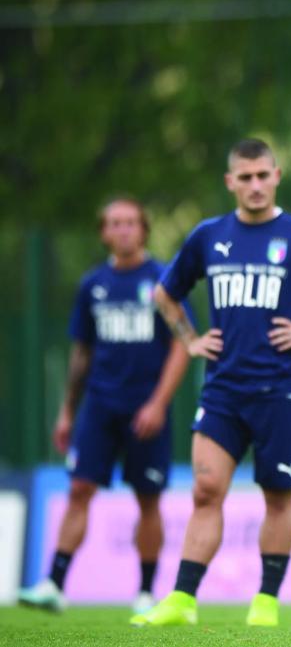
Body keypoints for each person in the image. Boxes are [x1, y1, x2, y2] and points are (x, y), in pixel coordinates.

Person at [131, 138, 291, 628]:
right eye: (245, 177)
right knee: (206, 490)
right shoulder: (208, 235)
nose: (255, 185)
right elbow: (165, 294)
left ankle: (266, 601)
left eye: (263, 175)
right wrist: (190, 339)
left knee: (277, 496)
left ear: (277, 176)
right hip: (222, 389)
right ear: (230, 182)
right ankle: (182, 599)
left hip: (280, 389)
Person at [18, 198, 190, 616]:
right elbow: (82, 353)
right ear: (104, 232)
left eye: (131, 222)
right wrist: (67, 412)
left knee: (148, 499)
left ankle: (146, 592)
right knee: (79, 489)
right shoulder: (92, 284)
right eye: (115, 223)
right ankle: (54, 584)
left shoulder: (163, 279)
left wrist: (158, 403)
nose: (124, 229)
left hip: (145, 409)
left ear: (144, 229)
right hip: (99, 405)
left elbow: (183, 345)